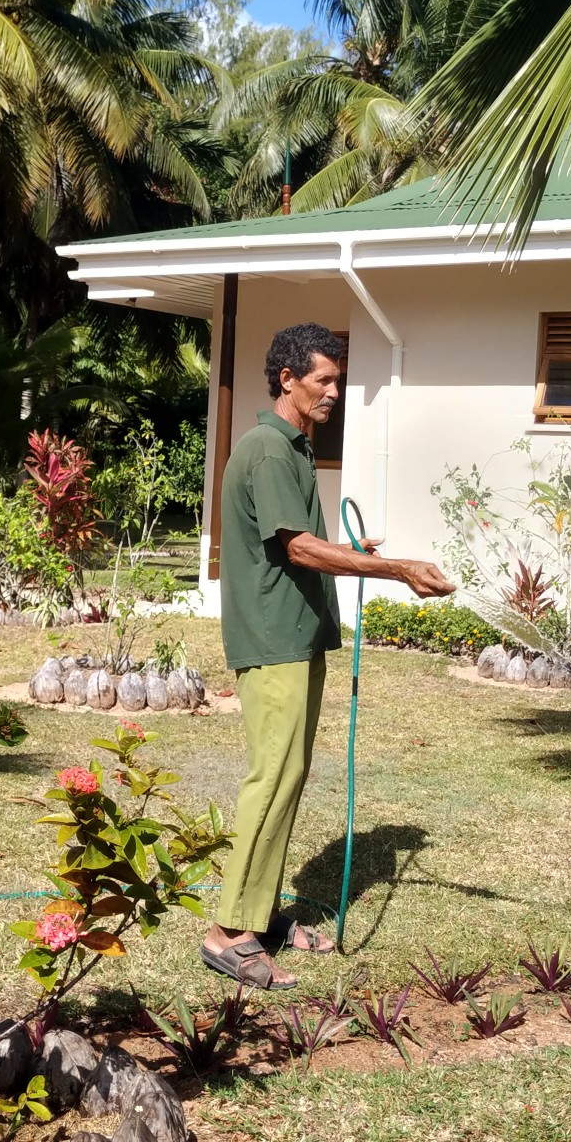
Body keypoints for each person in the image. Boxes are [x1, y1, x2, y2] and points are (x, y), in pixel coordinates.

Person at [201, 321, 455, 990]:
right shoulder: (264, 450)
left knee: (289, 777)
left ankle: (261, 913)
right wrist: (396, 570)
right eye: (324, 379)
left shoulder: (292, 448)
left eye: (338, 380)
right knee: (272, 777)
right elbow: (300, 548)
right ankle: (228, 931)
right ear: (287, 379)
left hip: (297, 635)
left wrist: (362, 558)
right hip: (273, 640)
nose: (335, 391)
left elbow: (307, 542)